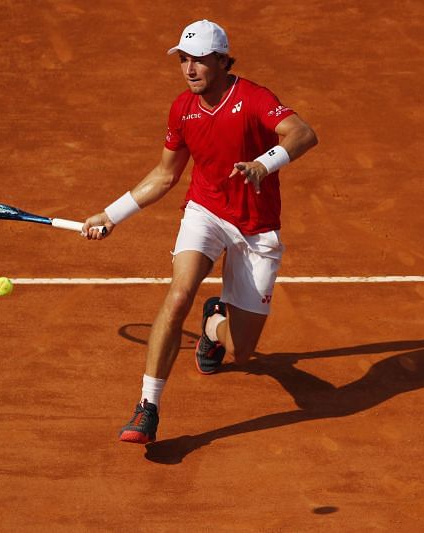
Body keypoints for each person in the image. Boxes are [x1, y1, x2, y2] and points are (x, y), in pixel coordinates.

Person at [82, 19, 318, 445]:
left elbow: (303, 133)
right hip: (205, 212)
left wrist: (264, 164)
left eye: (200, 61)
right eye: (184, 60)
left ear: (224, 61)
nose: (190, 69)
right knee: (178, 294)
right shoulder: (182, 109)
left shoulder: (253, 99)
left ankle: (213, 326)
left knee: (240, 352)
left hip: (256, 229)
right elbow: (164, 175)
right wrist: (110, 214)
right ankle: (147, 408)